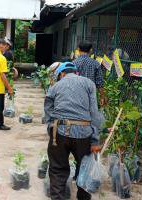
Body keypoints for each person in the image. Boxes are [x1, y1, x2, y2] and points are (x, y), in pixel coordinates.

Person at [44, 62, 103, 200]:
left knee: (58, 169)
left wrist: (51, 128)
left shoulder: (55, 86)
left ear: (62, 74)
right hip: (84, 133)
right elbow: (94, 113)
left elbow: (48, 109)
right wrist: (95, 140)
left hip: (59, 131)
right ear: (76, 72)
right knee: (84, 168)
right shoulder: (89, 84)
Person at [72, 41, 105, 106]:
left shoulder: (74, 63)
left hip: (76, 95)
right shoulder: (96, 63)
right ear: (91, 50)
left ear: (78, 49)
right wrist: (102, 97)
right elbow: (100, 83)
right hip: (90, 96)